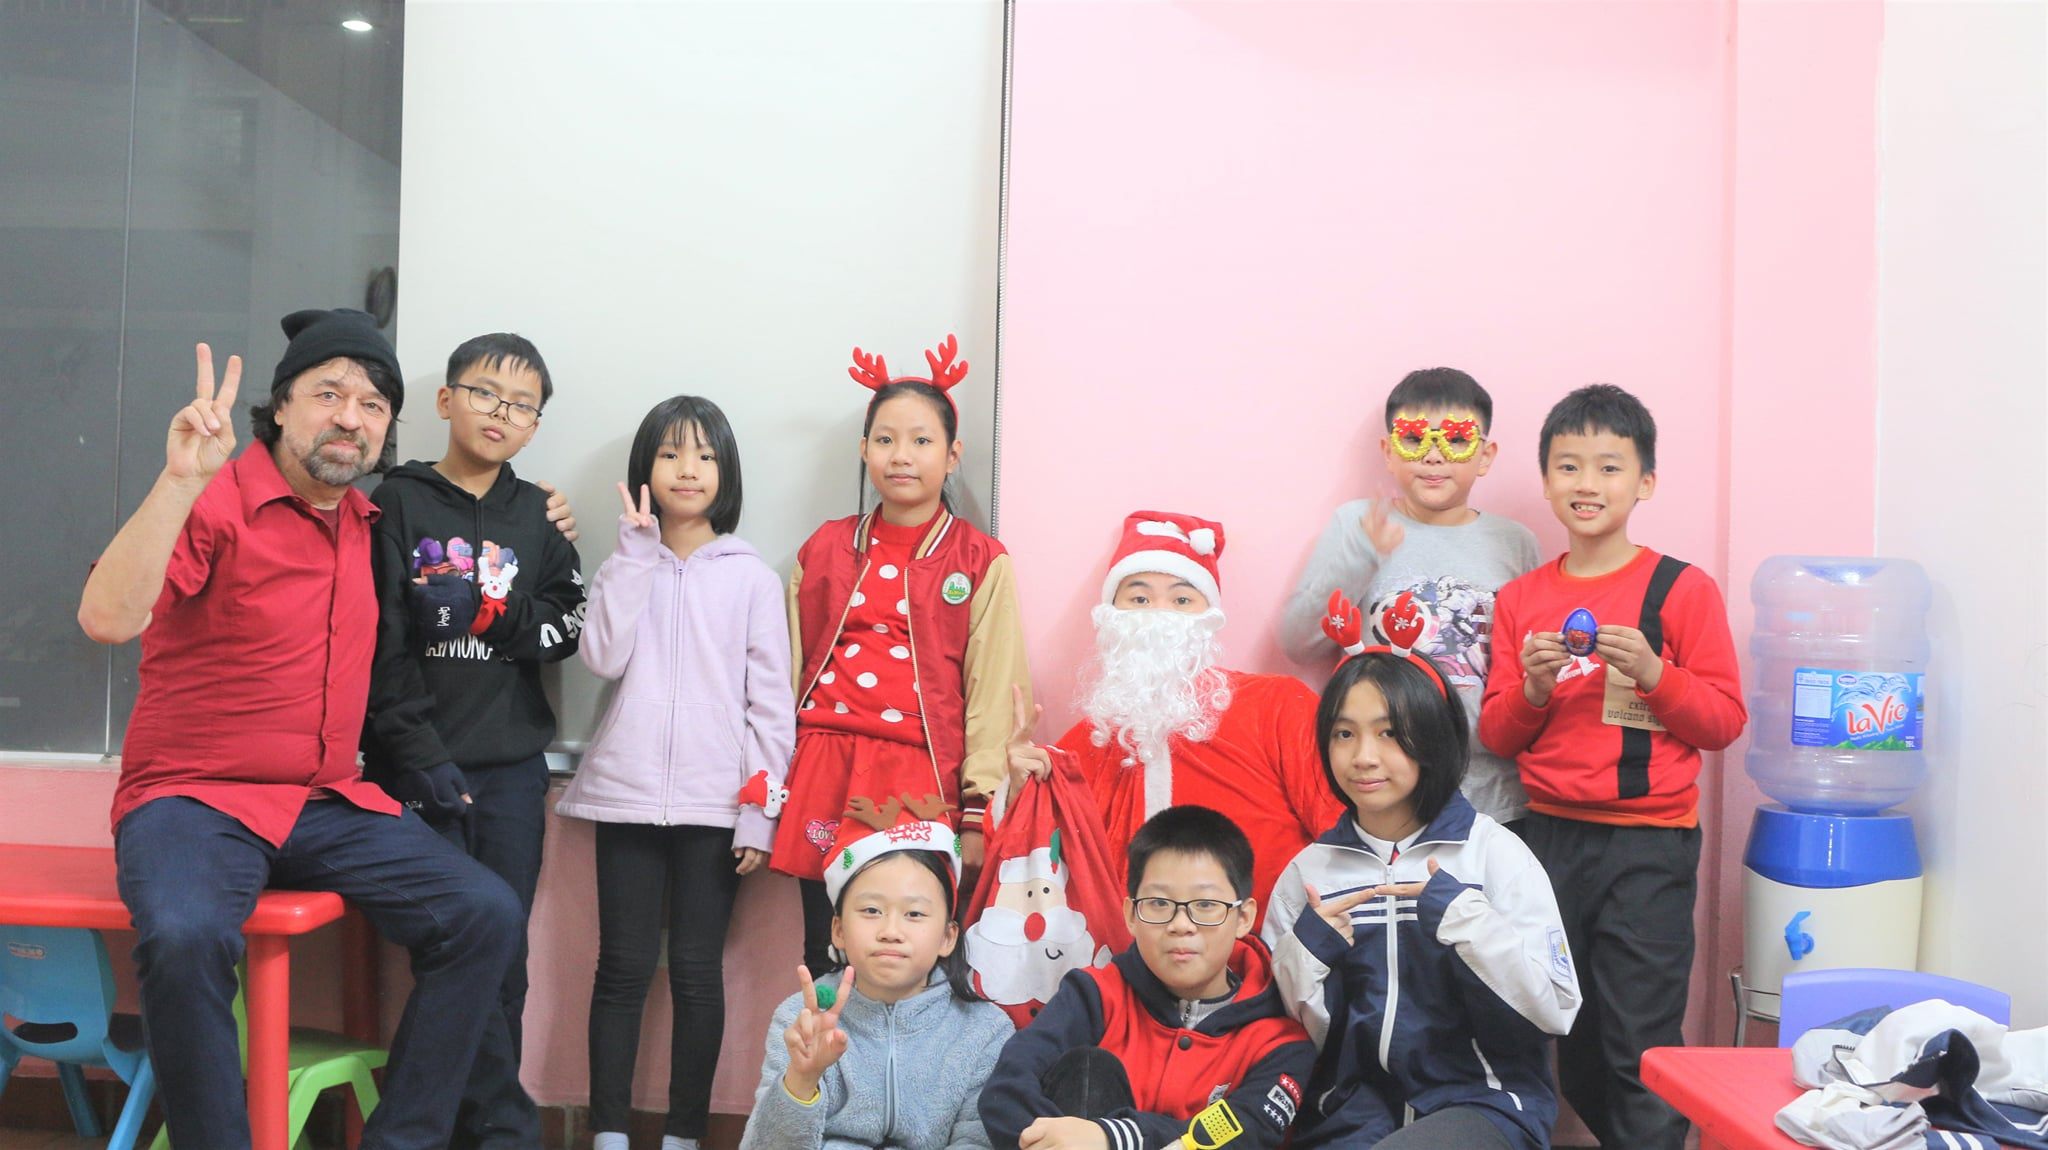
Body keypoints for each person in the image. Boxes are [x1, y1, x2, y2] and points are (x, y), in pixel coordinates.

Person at [75, 310, 527, 1150]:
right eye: (329, 394)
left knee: (484, 913)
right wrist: (176, 481)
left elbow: (472, 528)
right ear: (281, 405)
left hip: (321, 801)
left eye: (373, 404)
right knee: (184, 938)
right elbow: (106, 617)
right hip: (193, 800)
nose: (351, 417)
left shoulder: (367, 521)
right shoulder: (213, 498)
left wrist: (549, 518)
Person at [1478, 384, 1747, 1150]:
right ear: (1546, 481)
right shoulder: (1522, 598)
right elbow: (1498, 734)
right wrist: (1533, 689)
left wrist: (1657, 674)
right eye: (1568, 466)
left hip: (1648, 845)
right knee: (1573, 1042)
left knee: (1640, 1047)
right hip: (1547, 843)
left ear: (1645, 482)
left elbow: (1723, 722)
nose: (1587, 483)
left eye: (1608, 466)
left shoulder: (1681, 589)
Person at [360, 331, 586, 1146]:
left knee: (503, 957)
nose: (501, 412)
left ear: (535, 426)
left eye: (521, 405)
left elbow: (567, 626)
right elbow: (379, 645)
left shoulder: (539, 515)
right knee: (452, 951)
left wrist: (492, 612)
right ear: (447, 399)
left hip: (512, 771)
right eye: (486, 393)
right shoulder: (394, 503)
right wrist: (417, 754)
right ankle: (500, 1131)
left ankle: (475, 1131)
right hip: (415, 765)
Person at [555, 395, 797, 1150]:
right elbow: (601, 658)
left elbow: (770, 707)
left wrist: (759, 813)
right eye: (669, 454)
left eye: (704, 455)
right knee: (621, 970)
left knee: (697, 973)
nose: (687, 470)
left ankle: (686, 1135)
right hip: (625, 798)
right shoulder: (625, 564)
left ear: (725, 473)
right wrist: (633, 555)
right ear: (646, 469)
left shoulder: (751, 579)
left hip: (716, 808)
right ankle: (608, 1133)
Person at [1263, 614, 1581, 1149]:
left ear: (1433, 737)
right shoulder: (1310, 872)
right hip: (1347, 1117)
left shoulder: (1493, 853)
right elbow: (1288, 1041)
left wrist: (1468, 922)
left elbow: (1556, 1008)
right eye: (1344, 734)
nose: (1364, 757)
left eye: (1389, 733)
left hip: (1484, 1106)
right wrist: (1306, 957)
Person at [772, 335, 1032, 974]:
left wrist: (979, 808)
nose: (902, 456)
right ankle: (824, 1044)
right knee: (827, 947)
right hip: (824, 768)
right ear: (864, 450)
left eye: (921, 440)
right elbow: (781, 672)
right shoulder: (825, 548)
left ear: (952, 454)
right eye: (885, 439)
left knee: (910, 959)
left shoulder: (979, 560)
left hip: (920, 777)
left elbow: (994, 692)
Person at [1014, 510, 1341, 921]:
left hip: (1264, 950)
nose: (1159, 614)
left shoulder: (1278, 705)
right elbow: (1032, 864)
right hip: (1126, 956)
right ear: (1110, 615)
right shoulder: (1087, 743)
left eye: (1182, 600)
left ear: (1208, 616)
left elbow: (1343, 834)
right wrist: (1019, 794)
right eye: (1139, 599)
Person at [1277, 367, 1540, 826]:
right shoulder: (1358, 524)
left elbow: (1529, 666)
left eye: (1456, 441)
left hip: (1493, 796)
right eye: (1414, 439)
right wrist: (1363, 555)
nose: (1434, 456)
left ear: (1485, 455)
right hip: (1384, 792)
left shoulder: (1515, 542)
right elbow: (1299, 641)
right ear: (1388, 452)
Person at [979, 805, 1316, 1150]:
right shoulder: (1094, 994)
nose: (1181, 925)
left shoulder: (1281, 1044)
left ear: (1243, 917)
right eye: (1159, 903)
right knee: (1090, 1068)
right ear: (1131, 914)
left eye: (1205, 905)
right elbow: (1006, 1089)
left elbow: (1245, 1132)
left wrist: (1113, 1138)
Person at [741, 809, 1014, 1150]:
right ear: (838, 930)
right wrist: (801, 1080)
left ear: (947, 937)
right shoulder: (801, 1019)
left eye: (914, 913)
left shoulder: (986, 1030)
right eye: (871, 911)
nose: (890, 931)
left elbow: (978, 1141)